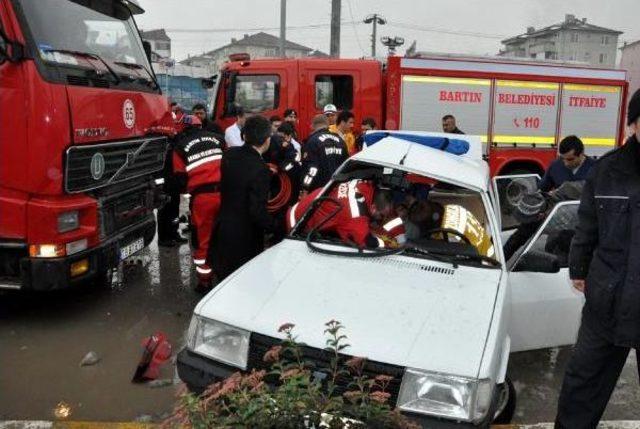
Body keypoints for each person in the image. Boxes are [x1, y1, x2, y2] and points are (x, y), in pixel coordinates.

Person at [555, 89, 640, 428]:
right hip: (607, 303)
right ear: (633, 124)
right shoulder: (606, 171)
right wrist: (578, 268)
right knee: (583, 386)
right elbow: (587, 226)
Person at [209, 115, 279, 281]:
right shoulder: (260, 169)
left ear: (244, 135)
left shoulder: (229, 155)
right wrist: (275, 227)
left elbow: (240, 178)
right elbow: (256, 211)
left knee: (223, 284)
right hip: (244, 241)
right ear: (267, 140)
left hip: (223, 230)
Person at [172, 115, 224, 290]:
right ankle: (227, 276)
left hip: (203, 198)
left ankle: (205, 281)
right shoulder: (218, 139)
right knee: (227, 234)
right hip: (227, 193)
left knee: (203, 240)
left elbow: (180, 179)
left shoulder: (179, 148)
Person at [287, 179, 406, 248]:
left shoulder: (364, 185)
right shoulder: (355, 213)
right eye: (381, 216)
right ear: (374, 208)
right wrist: (388, 244)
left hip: (304, 208)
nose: (381, 219)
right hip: (297, 225)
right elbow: (365, 242)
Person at [502, 181, 584, 261]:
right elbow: (516, 239)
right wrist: (500, 260)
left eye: (526, 220)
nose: (524, 223)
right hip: (560, 239)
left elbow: (592, 186)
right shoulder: (533, 221)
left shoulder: (569, 189)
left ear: (540, 216)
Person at [301, 114, 349, 194]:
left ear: (312, 126)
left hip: (318, 190)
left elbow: (312, 169)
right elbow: (346, 165)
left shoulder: (312, 141)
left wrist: (305, 188)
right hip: (337, 188)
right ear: (328, 125)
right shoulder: (340, 141)